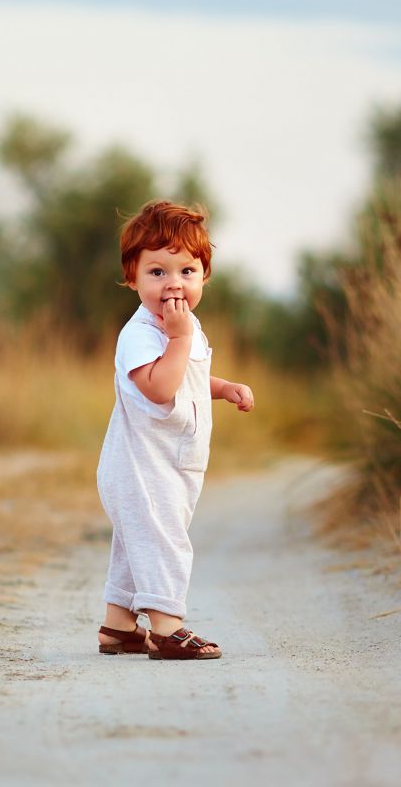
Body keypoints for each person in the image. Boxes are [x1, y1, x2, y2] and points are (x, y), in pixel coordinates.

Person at [94, 200, 254, 660]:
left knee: (137, 541)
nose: (173, 285)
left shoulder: (188, 327)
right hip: (141, 466)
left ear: (205, 276)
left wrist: (223, 388)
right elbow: (161, 388)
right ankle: (167, 627)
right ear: (133, 278)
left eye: (186, 271)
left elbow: (189, 378)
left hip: (171, 462)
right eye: (157, 273)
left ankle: (118, 626)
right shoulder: (142, 334)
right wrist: (179, 338)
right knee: (162, 540)